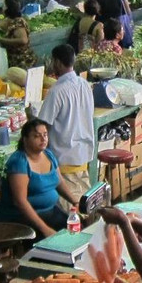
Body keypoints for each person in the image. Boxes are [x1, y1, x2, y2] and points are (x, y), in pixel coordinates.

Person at [0, 119, 78, 237]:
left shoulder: (48, 155)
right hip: (23, 218)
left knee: (75, 232)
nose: (43, 139)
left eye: (45, 135)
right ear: (25, 139)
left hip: (50, 212)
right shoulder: (19, 162)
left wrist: (75, 201)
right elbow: (20, 202)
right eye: (37, 136)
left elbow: (59, 182)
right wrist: (45, 229)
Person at [37, 44, 95, 204]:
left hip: (65, 160)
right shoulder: (84, 85)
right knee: (84, 204)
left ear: (58, 62)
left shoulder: (57, 91)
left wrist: (30, 118)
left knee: (71, 210)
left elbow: (42, 125)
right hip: (83, 156)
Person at [0, 0, 36, 70]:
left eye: (4, 6)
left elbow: (23, 40)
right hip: (16, 61)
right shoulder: (12, 20)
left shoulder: (18, 22)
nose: (3, 8)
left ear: (8, 8)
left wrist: (1, 39)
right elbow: (3, 24)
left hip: (22, 61)